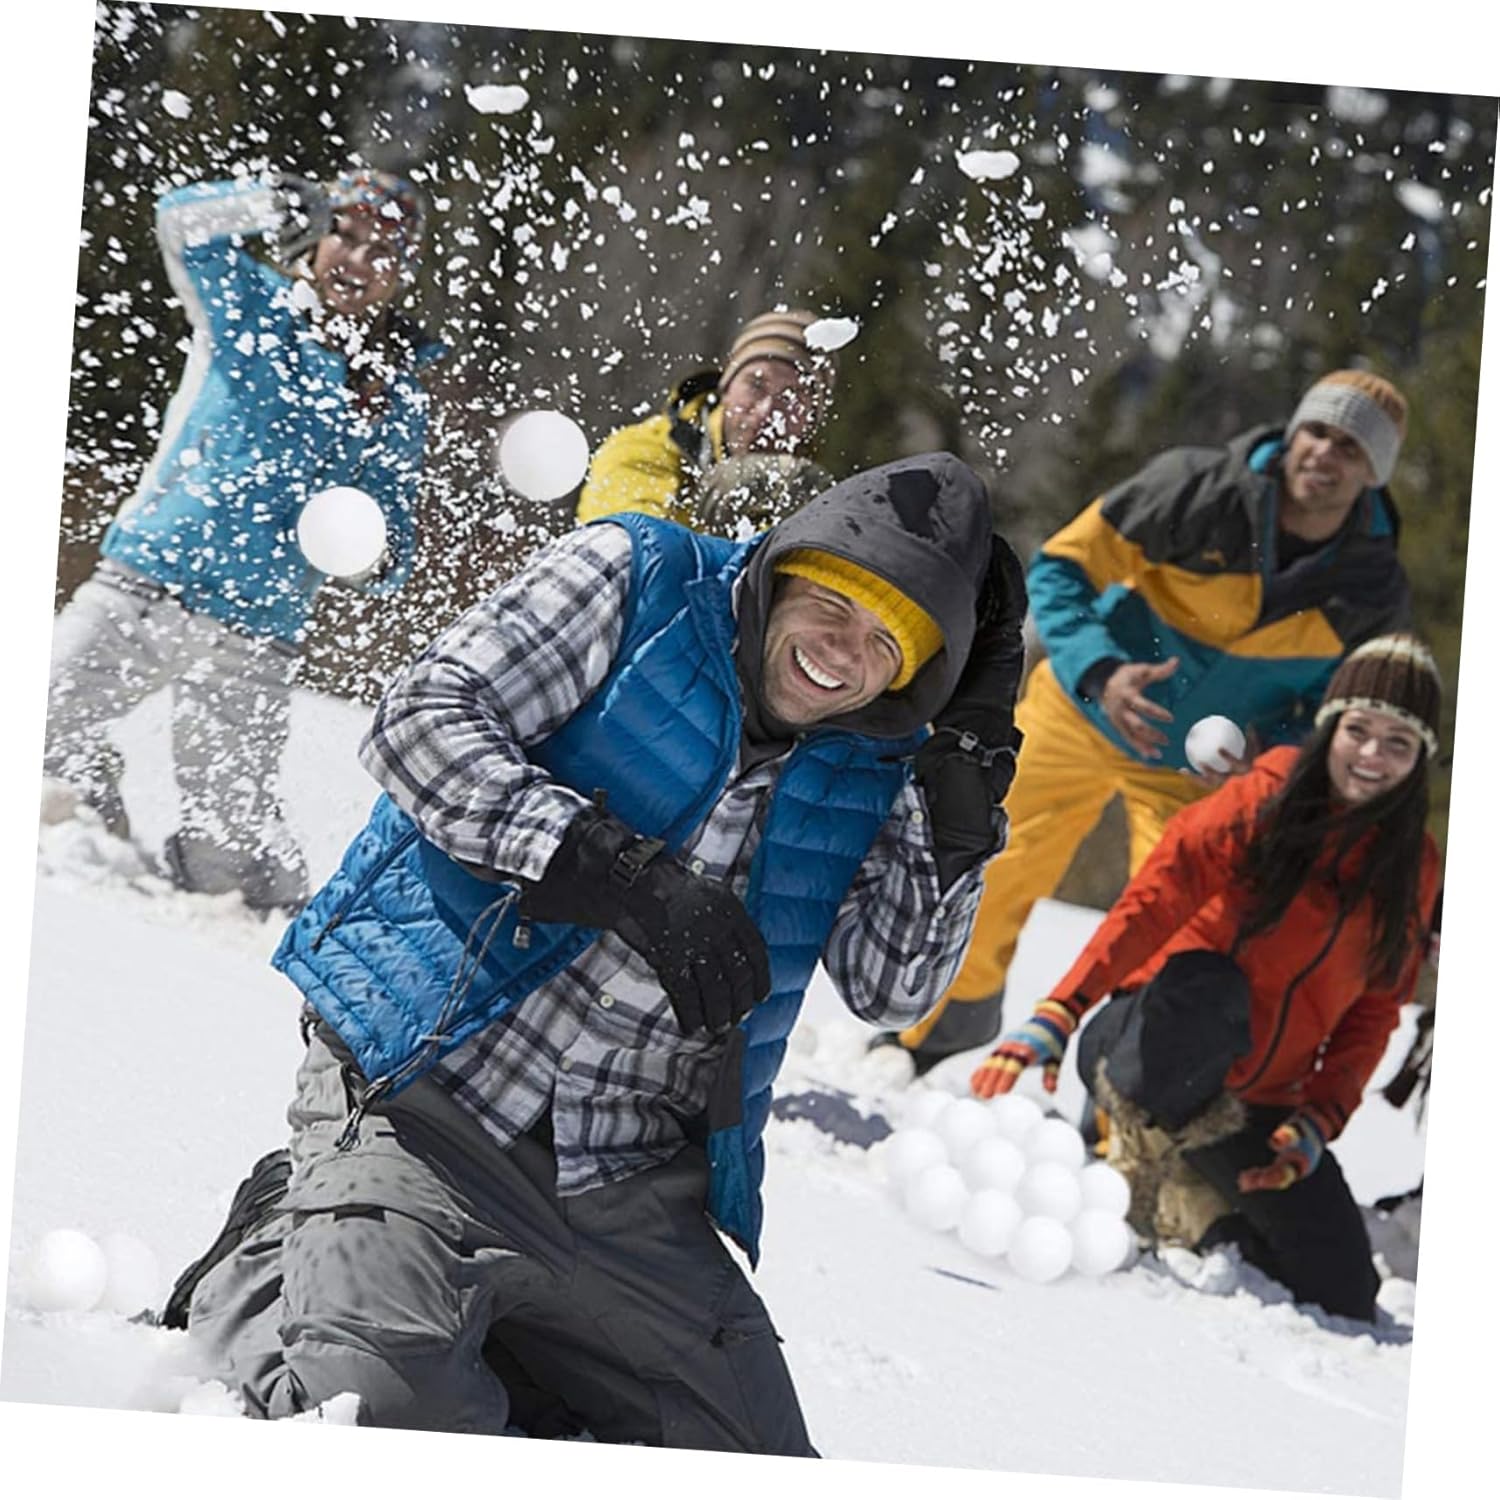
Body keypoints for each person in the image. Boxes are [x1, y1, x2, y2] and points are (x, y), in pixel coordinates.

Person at [169, 452, 1027, 1448]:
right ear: (786, 570)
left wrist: (961, 802)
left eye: (888, 643)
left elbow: (893, 988)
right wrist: (610, 867)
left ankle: (488, 1324)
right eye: (834, 604)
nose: (846, 653)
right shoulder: (639, 578)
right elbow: (420, 719)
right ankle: (278, 1249)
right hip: (423, 1094)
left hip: (626, 1175)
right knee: (387, 1422)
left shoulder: (885, 755)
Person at [884, 369, 1415, 1075]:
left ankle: (1118, 1091)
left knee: (1178, 926)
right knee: (990, 864)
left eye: (1350, 447)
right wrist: (1103, 671)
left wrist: (1273, 754)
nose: (1325, 453)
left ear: (1374, 472)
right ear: (1294, 431)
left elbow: (1338, 711)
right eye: (1317, 431)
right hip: (1078, 712)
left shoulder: (1373, 589)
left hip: (1194, 776)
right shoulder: (1193, 488)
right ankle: (936, 1035)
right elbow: (1061, 568)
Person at [972, 634, 1443, 1323]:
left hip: (1258, 1102)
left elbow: (1375, 1010)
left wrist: (1317, 1121)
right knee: (1211, 988)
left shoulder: (1415, 867)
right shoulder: (1266, 797)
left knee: (1343, 1291)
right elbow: (1153, 900)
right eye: (1359, 731)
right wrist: (1061, 1010)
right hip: (1152, 1044)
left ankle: (1194, 1199)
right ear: (1331, 727)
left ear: (1420, 758)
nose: (1372, 755)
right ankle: (1123, 1148)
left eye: (1397, 743)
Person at [41, 166, 443, 912]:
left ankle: (254, 926)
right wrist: (267, 202)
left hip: (254, 639)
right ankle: (89, 818)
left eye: (381, 251)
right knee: (33, 735)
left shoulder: (393, 390)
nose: (357, 259)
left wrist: (368, 552)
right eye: (344, 234)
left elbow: (393, 539)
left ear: (402, 275)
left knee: (229, 866)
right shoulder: (249, 304)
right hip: (143, 587)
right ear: (313, 236)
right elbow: (177, 221)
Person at [575, 308, 838, 535]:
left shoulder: (807, 494)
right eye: (756, 385)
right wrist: (710, 501)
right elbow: (635, 546)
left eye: (792, 397)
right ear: (726, 387)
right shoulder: (643, 448)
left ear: (811, 419)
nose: (765, 411)